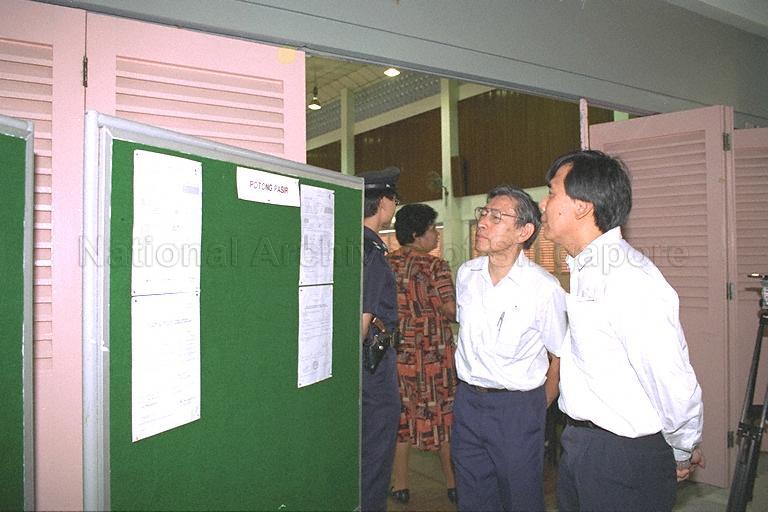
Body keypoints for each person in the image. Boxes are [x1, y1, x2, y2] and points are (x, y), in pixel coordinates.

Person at [539, 149, 705, 512]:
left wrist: (681, 447)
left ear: (582, 206)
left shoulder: (628, 278)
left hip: (622, 459)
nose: (543, 203)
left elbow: (670, 378)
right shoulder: (586, 271)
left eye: (552, 193)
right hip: (583, 447)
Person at [452, 185, 567, 512]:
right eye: (484, 214)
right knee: (472, 497)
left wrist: (536, 404)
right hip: (467, 403)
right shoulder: (466, 275)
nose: (483, 223)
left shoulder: (543, 288)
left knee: (521, 499)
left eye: (497, 216)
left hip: (516, 409)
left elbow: (559, 354)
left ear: (524, 231)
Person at [387, 204, 458, 506]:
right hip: (434, 356)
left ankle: (400, 485)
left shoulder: (386, 264)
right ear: (416, 234)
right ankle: (453, 484)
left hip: (400, 355)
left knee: (402, 419)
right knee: (444, 418)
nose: (436, 236)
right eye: (432, 229)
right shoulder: (435, 267)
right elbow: (452, 309)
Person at [358, 166, 402, 512]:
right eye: (394, 199)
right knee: (375, 456)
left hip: (356, 374)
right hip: (372, 372)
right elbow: (361, 326)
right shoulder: (371, 252)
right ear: (384, 202)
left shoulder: (344, 243)